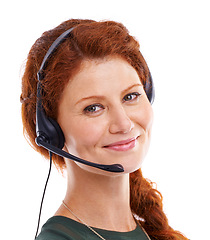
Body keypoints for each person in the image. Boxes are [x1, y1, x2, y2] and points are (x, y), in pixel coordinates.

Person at [20, 19, 188, 240]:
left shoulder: (148, 231)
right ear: (51, 130)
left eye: (131, 96)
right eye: (93, 108)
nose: (124, 124)